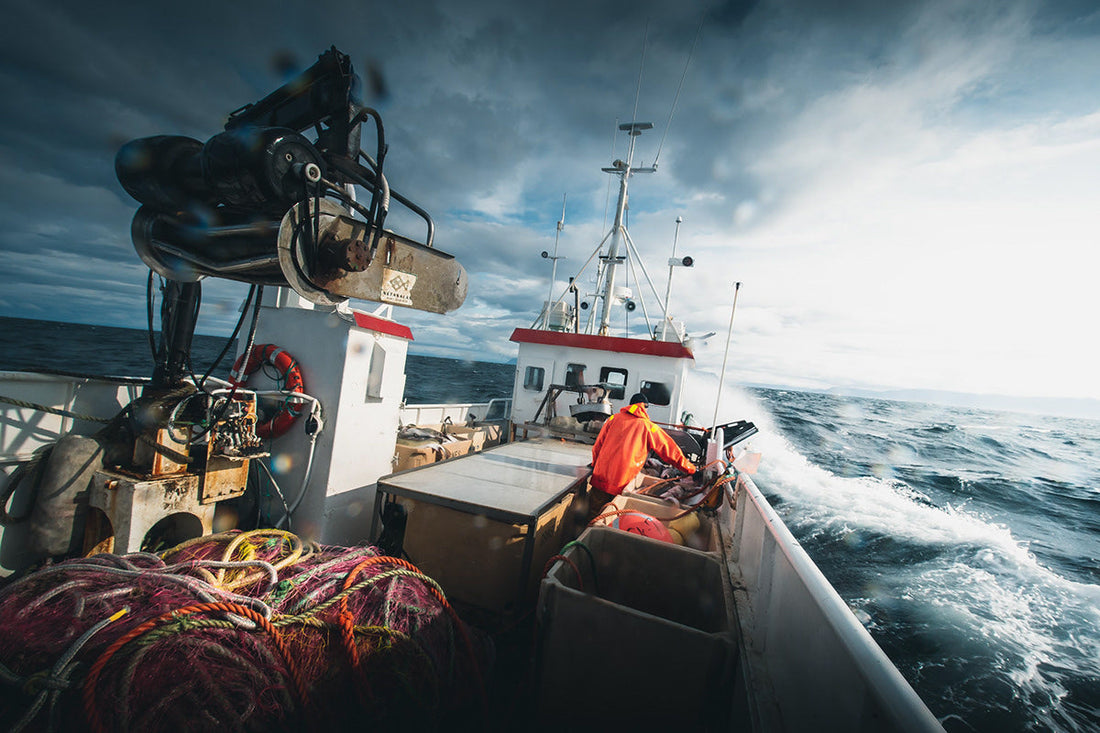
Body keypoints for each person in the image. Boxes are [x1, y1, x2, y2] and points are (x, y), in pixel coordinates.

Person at [587, 392, 696, 519]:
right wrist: (690, 469)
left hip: (601, 477)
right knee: (613, 516)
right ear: (644, 408)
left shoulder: (613, 419)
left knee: (594, 515)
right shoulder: (649, 427)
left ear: (630, 405)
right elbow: (669, 450)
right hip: (622, 483)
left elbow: (597, 446)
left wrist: (595, 465)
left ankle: (583, 536)